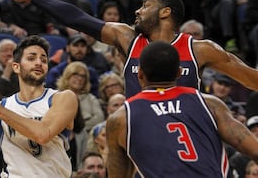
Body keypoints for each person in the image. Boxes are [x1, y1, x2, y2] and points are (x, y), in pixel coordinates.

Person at [0, 0, 258, 99]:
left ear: (165, 12)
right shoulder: (127, 37)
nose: (137, 10)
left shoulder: (199, 49)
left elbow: (250, 78)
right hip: (140, 132)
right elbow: (77, 18)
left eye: (145, 5)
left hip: (184, 135)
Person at [105, 41, 258, 177]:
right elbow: (254, 150)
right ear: (179, 73)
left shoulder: (121, 118)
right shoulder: (209, 104)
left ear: (140, 74)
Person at [0, 35, 78, 177]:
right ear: (16, 67)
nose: (39, 63)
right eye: (31, 58)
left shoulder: (63, 98)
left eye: (43, 60)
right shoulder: (0, 109)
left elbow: (43, 134)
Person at [56, 61, 104, 132]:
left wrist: (79, 128)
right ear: (67, 76)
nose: (79, 78)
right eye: (75, 75)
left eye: (83, 76)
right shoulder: (56, 96)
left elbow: (100, 118)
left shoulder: (90, 99)